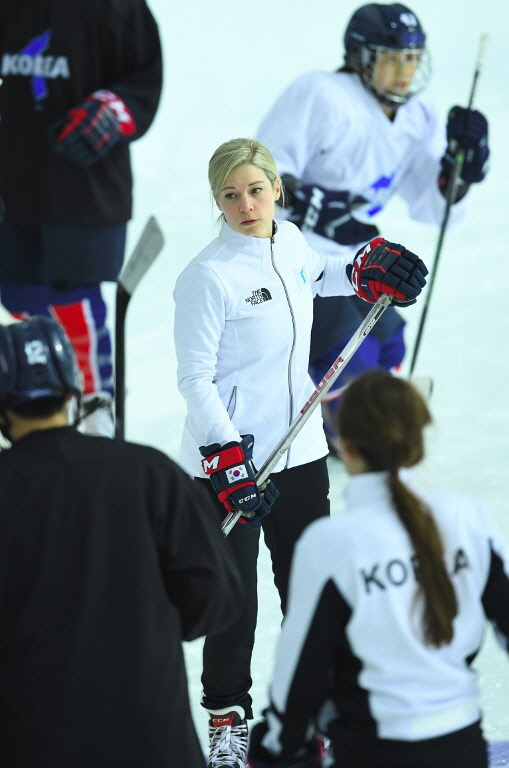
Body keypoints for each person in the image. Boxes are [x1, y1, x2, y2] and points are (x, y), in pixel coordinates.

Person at [172, 136, 427, 768]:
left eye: (255, 189)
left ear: (277, 189)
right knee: (235, 601)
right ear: (217, 202)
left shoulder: (289, 242)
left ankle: (315, 708)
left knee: (311, 589)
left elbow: (319, 278)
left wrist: (364, 271)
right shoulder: (206, 277)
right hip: (228, 467)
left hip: (302, 452)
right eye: (230, 195)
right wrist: (225, 456)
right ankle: (228, 721)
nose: (245, 204)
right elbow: (194, 380)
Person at [0, 316, 244, 768]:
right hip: (154, 740)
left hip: (31, 742)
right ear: (73, 393)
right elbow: (216, 598)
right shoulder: (149, 473)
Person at [257, 2, 489, 453]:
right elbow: (261, 169)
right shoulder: (319, 93)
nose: (405, 72)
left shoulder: (418, 117)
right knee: (350, 354)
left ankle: (356, 422)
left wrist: (461, 170)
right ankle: (340, 434)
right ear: (362, 57)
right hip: (299, 252)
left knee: (390, 344)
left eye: (412, 59)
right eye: (393, 58)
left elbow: (433, 205)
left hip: (361, 251)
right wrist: (311, 204)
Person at [247, 370, 509, 768]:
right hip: (464, 749)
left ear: (346, 448)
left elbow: (301, 677)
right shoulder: (467, 517)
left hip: (371, 752)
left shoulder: (332, 544)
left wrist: (276, 748)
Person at [0, 0, 163, 436]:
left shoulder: (118, 8)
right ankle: (34, 409)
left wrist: (110, 112)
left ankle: (94, 410)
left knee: (73, 299)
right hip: (13, 187)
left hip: (86, 191)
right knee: (18, 297)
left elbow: (145, 74)